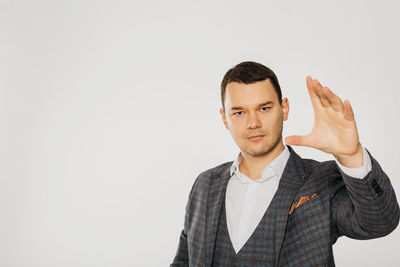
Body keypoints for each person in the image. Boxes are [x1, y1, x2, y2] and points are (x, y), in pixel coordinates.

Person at [170, 61, 399, 266]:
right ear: (224, 118)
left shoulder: (321, 181)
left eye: (264, 108)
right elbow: (184, 260)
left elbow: (380, 222)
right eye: (239, 112)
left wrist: (351, 155)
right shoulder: (204, 185)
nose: (253, 122)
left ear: (284, 108)